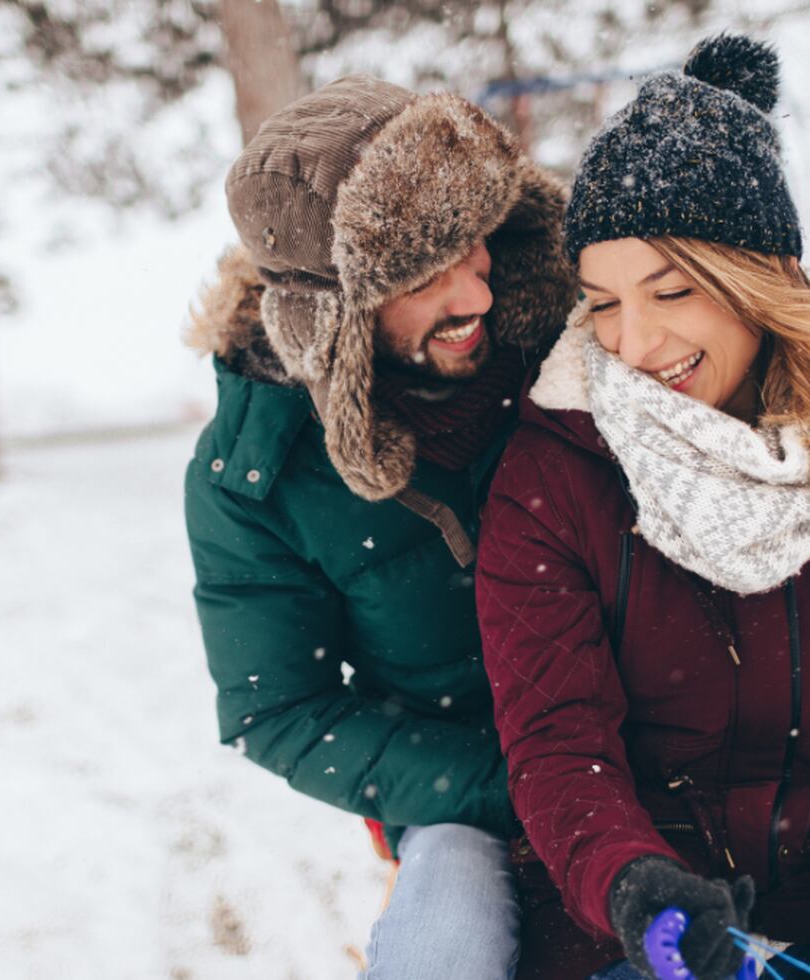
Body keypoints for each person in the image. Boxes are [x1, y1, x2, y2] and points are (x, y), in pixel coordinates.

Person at [184, 74, 575, 978]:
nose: (475, 290)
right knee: (444, 946)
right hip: (465, 789)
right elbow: (277, 709)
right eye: (422, 274)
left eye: (473, 243)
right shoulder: (257, 475)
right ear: (335, 313)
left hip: (657, 724)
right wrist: (508, 786)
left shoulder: (560, 340)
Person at [476, 34, 810, 980]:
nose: (636, 340)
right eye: (603, 302)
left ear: (761, 277)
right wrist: (635, 884)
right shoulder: (555, 475)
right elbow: (557, 742)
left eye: (670, 289)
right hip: (640, 921)